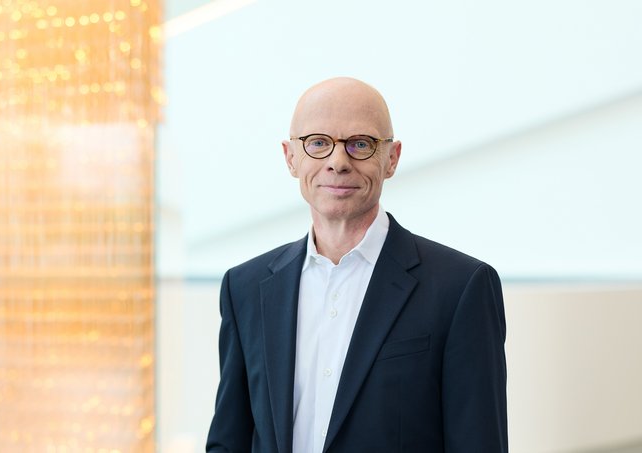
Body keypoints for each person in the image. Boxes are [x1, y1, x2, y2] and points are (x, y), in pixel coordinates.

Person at [206, 77, 507, 452]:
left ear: (392, 158)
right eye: (318, 143)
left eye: (360, 144)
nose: (338, 162)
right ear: (291, 157)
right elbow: (229, 442)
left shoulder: (461, 288)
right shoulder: (245, 288)